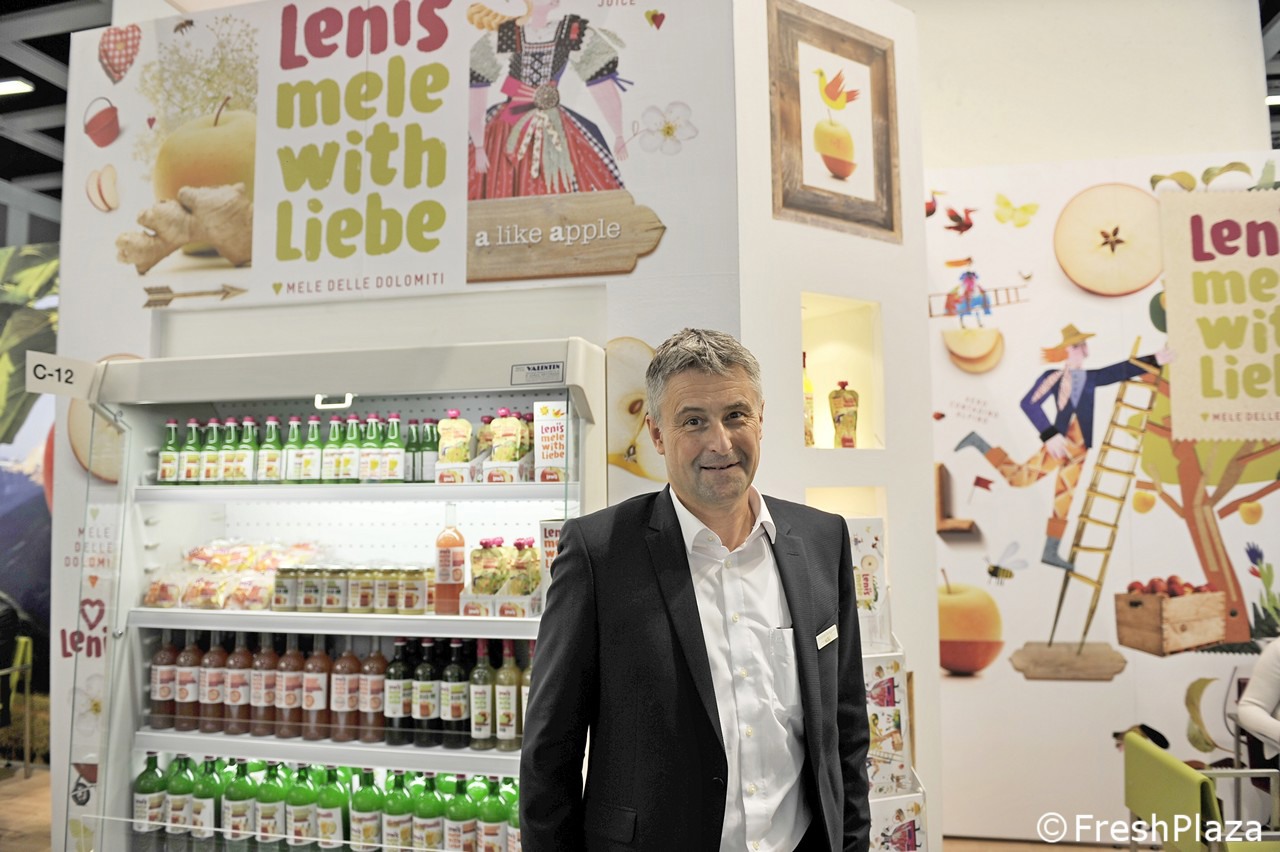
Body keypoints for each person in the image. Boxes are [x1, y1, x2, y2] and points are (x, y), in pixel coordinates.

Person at [520, 328, 871, 851]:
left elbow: (846, 726)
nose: (720, 443)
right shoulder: (599, 554)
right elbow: (550, 753)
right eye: (693, 421)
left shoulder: (822, 539)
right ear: (657, 434)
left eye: (736, 415)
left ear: (760, 419)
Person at [954, 323, 1171, 571]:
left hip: (1080, 449)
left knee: (1064, 500)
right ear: (1067, 350)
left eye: (1084, 345)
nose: (1084, 349)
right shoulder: (1053, 377)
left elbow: (1115, 372)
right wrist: (1049, 434)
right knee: (1019, 479)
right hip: (1060, 444)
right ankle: (978, 442)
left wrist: (1153, 359)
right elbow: (1029, 404)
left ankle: (1051, 550)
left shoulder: (1089, 378)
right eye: (1078, 345)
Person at [467, 0, 629, 199]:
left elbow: (600, 84)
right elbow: (476, 88)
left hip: (554, 121)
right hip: (509, 121)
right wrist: (479, 145)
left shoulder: (572, 31)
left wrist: (618, 133)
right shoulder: (506, 34)